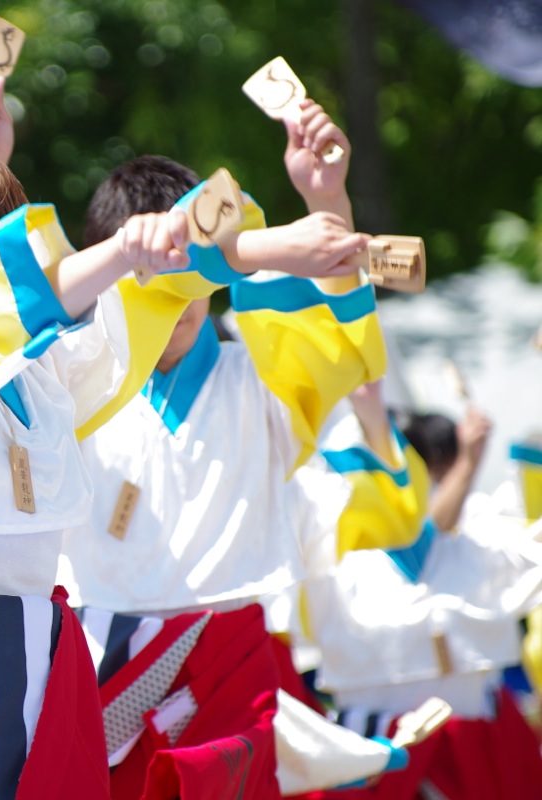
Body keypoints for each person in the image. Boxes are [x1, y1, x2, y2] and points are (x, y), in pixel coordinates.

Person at [0, 129, 370, 800]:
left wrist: (282, 233)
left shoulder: (45, 372)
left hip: (60, 653)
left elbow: (134, 299)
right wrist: (131, 248)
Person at [48, 102, 422, 797]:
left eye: (194, 268)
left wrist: (324, 196)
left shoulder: (265, 382)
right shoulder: (71, 387)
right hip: (94, 659)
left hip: (230, 659)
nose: (178, 291)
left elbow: (332, 328)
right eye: (155, 270)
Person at [294, 401, 542, 799]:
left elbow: (431, 531)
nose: (393, 485)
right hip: (374, 745)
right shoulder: (325, 557)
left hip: (478, 740)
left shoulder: (471, 542)